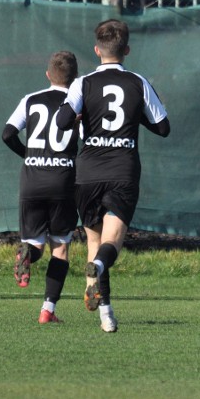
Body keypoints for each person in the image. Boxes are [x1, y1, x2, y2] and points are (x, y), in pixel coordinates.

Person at [56, 19, 170, 333]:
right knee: (112, 243)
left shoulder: (83, 82)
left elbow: (63, 120)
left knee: (95, 242)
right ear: (127, 50)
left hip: (88, 172)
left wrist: (81, 115)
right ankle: (101, 281)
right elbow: (163, 127)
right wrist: (137, 116)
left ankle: (106, 314)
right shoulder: (137, 82)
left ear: (97, 50)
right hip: (122, 171)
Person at [2, 51, 79, 324]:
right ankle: (47, 310)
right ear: (76, 78)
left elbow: (7, 134)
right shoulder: (78, 103)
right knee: (60, 248)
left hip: (31, 180)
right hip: (63, 181)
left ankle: (27, 255)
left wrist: (27, 154)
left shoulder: (31, 99)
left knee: (34, 243)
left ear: (48, 75)